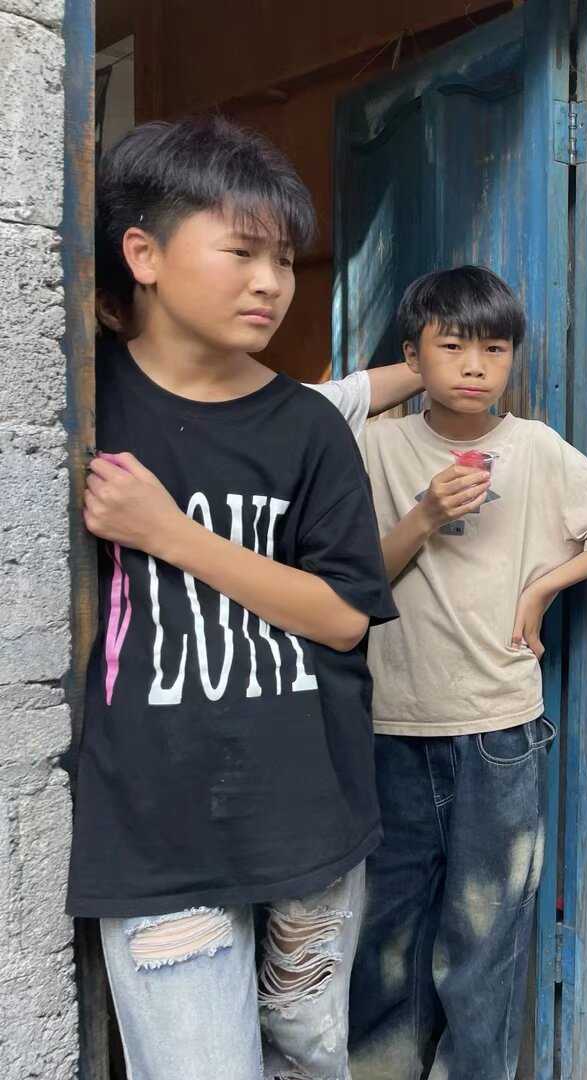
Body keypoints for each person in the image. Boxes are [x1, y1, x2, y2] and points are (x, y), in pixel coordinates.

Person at [70, 115, 396, 1079]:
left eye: (284, 260)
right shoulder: (85, 406)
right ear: (144, 256)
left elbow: (343, 614)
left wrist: (170, 534)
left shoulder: (307, 428)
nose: (272, 282)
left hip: (310, 815)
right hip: (156, 830)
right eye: (243, 251)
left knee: (310, 1054)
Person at [348, 265, 587, 1080]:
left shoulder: (534, 447)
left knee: (484, 940)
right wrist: (425, 514)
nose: (475, 366)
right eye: (452, 346)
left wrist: (545, 585)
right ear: (412, 355)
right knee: (386, 937)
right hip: (392, 726)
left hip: (500, 730)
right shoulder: (376, 445)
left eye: (494, 349)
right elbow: (352, 584)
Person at [97, 285, 425, 432]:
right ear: (111, 310)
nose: (266, 286)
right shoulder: (100, 414)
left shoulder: (275, 408)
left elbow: (352, 395)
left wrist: (441, 364)